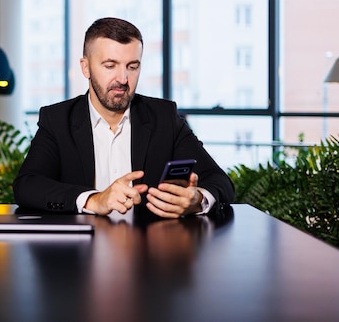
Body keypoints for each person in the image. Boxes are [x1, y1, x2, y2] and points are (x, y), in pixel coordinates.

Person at [13, 17, 234, 219]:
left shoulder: (163, 117)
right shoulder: (57, 120)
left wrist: (197, 201)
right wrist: (94, 199)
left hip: (151, 254)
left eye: (132, 66)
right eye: (110, 65)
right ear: (86, 67)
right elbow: (27, 185)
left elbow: (219, 180)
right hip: (79, 255)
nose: (123, 78)